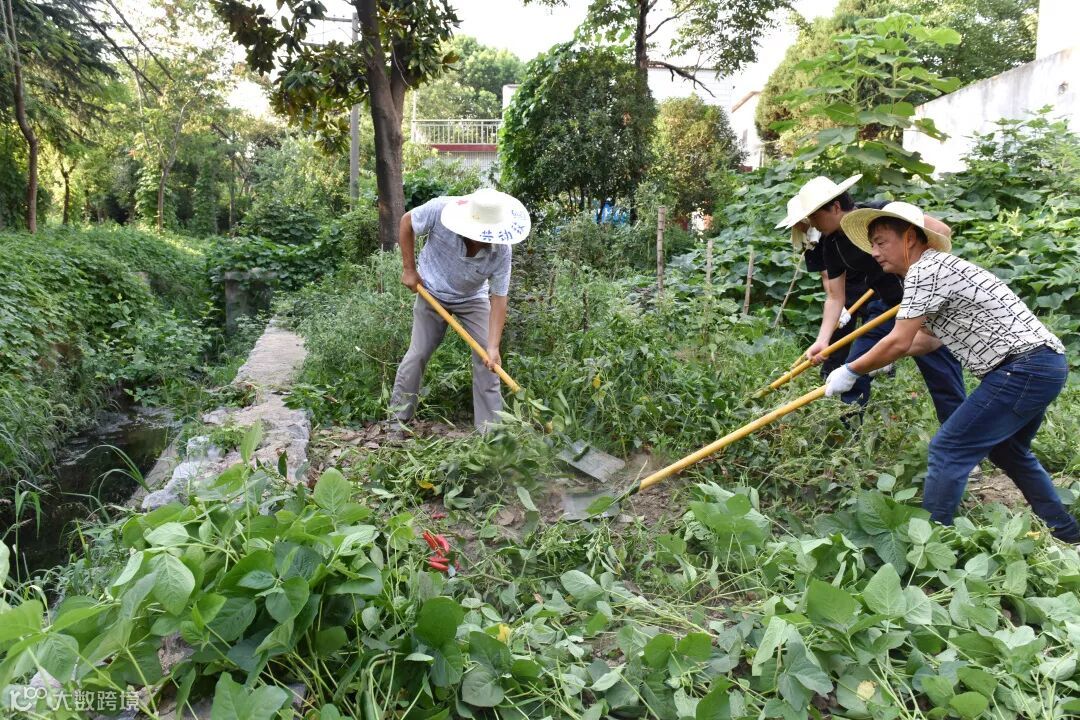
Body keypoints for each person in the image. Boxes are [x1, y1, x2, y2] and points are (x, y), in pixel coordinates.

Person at [825, 201, 1079, 541]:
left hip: (1023, 367)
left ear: (910, 238)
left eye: (881, 242)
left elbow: (899, 340)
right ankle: (1067, 532)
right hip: (1042, 364)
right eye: (872, 244)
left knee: (948, 449)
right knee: (1008, 451)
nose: (874, 253)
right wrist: (879, 363)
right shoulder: (935, 269)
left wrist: (851, 369)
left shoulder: (925, 270)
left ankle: (930, 546)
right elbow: (927, 341)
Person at [778, 175, 966, 422]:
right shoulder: (831, 244)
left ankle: (964, 439)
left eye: (814, 216)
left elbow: (941, 230)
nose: (811, 223)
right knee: (854, 367)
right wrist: (823, 340)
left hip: (926, 307)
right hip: (887, 305)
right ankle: (849, 432)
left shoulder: (881, 213)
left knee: (943, 381)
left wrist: (924, 282)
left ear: (835, 207)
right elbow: (834, 296)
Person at [390, 188, 531, 430]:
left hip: (472, 298)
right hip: (431, 290)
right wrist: (409, 269)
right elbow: (406, 222)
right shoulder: (440, 210)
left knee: (489, 360)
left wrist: (493, 347)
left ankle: (490, 433)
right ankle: (397, 422)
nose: (485, 240)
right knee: (418, 354)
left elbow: (499, 298)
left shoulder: (502, 250)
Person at [777, 197, 871, 385]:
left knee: (872, 326)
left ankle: (879, 367)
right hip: (841, 285)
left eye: (802, 220)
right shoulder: (814, 240)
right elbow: (827, 276)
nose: (799, 226)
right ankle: (830, 371)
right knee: (838, 328)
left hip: (867, 281)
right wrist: (837, 304)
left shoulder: (839, 227)